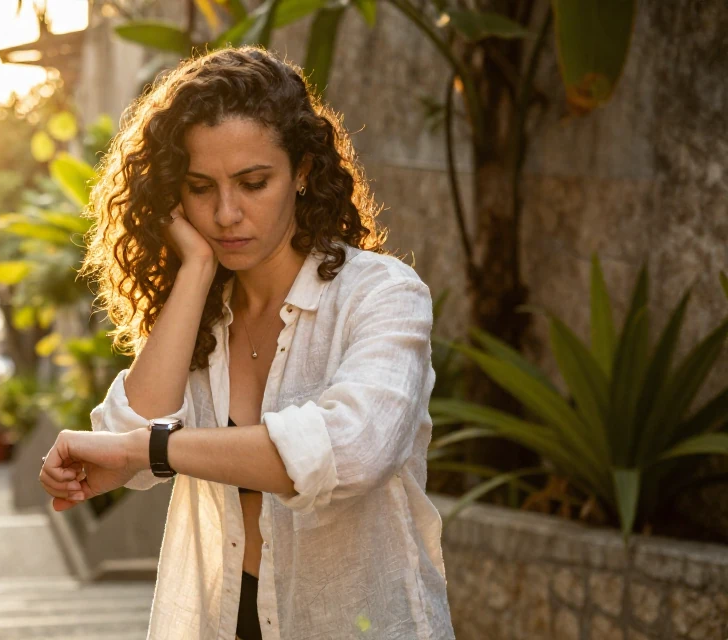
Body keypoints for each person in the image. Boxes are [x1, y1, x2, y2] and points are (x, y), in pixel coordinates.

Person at [38, 47, 454, 639]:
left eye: (253, 183)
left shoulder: (380, 294)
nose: (227, 213)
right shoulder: (205, 316)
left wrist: (152, 451)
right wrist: (196, 270)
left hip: (357, 621)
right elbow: (121, 434)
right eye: (200, 187)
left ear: (303, 170)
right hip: (222, 619)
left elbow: (353, 448)